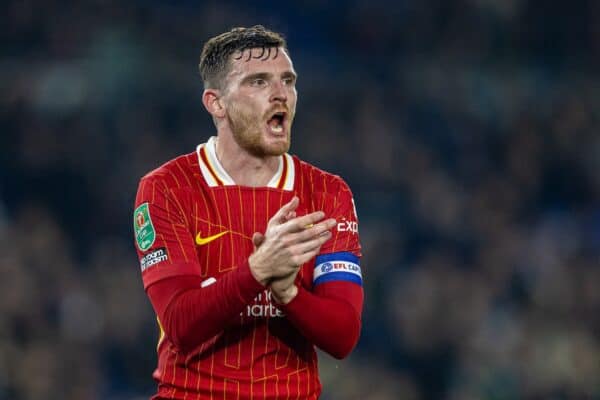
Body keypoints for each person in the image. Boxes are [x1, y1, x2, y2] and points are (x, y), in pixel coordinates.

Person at [133, 25, 363, 399]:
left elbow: (343, 337)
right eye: (258, 82)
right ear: (216, 103)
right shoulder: (167, 187)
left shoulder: (327, 192)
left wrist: (288, 292)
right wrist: (258, 271)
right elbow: (179, 324)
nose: (280, 94)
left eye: (288, 80)